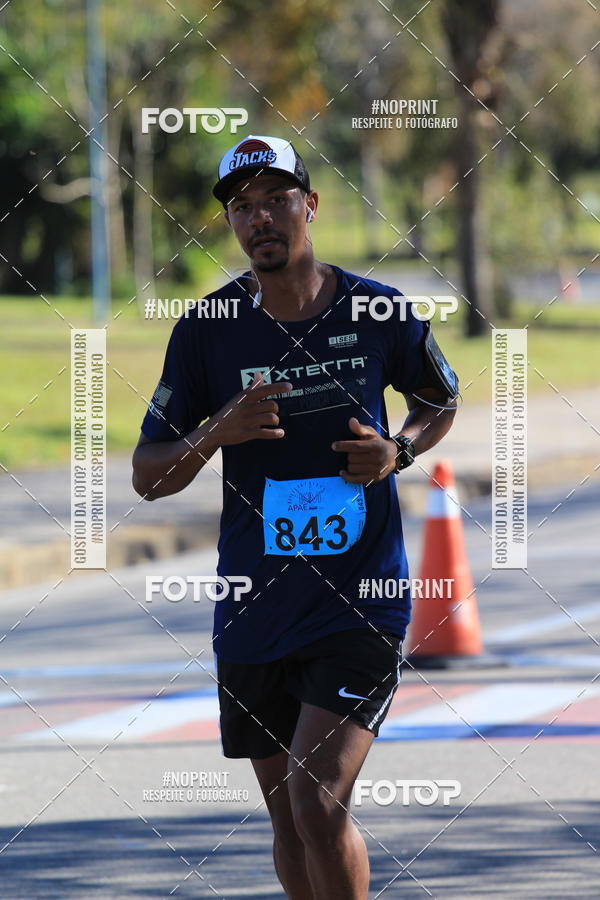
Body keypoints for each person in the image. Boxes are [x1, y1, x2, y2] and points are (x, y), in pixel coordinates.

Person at [132, 134, 459, 899]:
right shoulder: (206, 330)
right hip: (255, 606)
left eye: (276, 199)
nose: (260, 218)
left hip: (361, 602)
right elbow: (148, 476)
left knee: (318, 803)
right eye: (242, 206)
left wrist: (398, 452)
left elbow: (439, 401)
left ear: (309, 205)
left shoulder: (377, 309)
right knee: (287, 820)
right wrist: (217, 430)